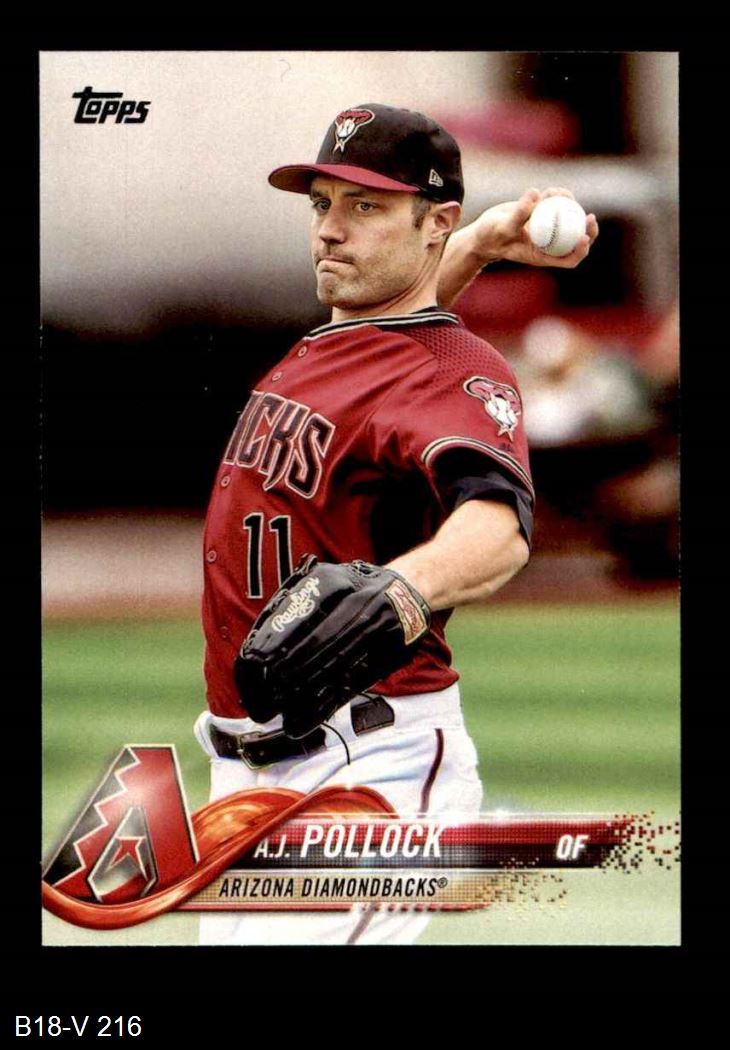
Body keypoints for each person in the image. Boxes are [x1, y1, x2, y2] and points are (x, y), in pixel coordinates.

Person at [193, 103, 598, 945]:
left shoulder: (456, 372)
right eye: (322, 204)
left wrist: (401, 588)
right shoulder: (352, 338)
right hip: (248, 785)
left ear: (432, 220)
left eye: (365, 206)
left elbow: (497, 527)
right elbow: (407, 308)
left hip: (367, 766)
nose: (329, 230)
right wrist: (481, 242)